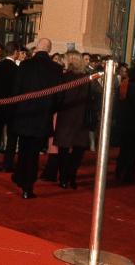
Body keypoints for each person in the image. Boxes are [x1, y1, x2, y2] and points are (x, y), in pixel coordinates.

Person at [10, 38, 62, 198]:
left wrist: (16, 110)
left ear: (37, 48)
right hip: (42, 116)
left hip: (24, 114)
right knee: (33, 153)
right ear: (49, 50)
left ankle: (21, 178)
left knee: (24, 149)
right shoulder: (56, 68)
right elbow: (58, 96)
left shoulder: (25, 65)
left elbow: (16, 90)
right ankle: (27, 185)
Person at [53, 51, 90, 188]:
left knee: (64, 149)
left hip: (66, 117)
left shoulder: (65, 77)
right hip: (80, 117)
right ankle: (71, 176)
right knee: (77, 151)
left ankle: (63, 178)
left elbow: (59, 97)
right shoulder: (86, 78)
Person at [0, 42, 19, 171]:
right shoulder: (17, 69)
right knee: (11, 137)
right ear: (15, 52)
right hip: (11, 107)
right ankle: (8, 164)